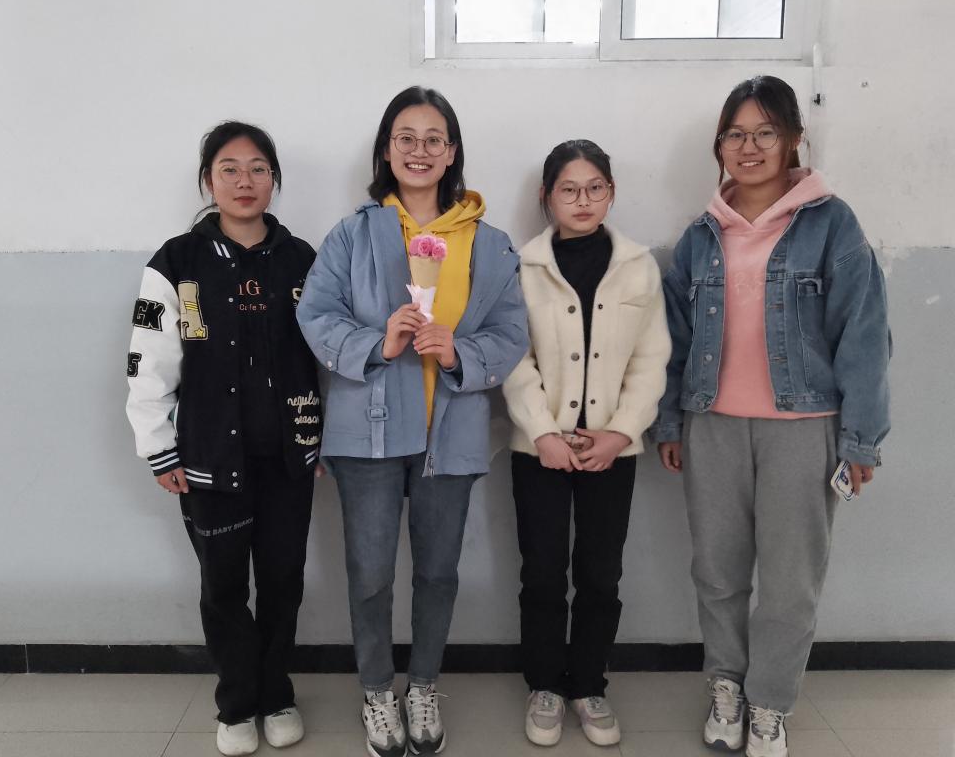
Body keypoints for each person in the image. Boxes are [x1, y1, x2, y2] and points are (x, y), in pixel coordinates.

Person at [653, 76, 891, 757]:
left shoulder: (832, 223)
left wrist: (861, 440)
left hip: (804, 430)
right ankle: (726, 688)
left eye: (765, 132)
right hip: (713, 427)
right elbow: (674, 341)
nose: (749, 146)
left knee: (790, 584)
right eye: (735, 134)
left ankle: (769, 705)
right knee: (718, 574)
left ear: (793, 139)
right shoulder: (700, 236)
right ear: (719, 145)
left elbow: (864, 335)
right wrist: (670, 423)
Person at [296, 86, 528, 757]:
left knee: (438, 572)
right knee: (369, 574)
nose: (419, 150)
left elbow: (511, 331)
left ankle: (423, 684)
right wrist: (379, 342)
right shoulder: (352, 234)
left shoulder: (489, 244)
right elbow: (316, 315)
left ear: (452, 152)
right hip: (365, 433)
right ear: (386, 150)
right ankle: (377, 689)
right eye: (406, 138)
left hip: (449, 434)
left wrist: (459, 353)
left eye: (433, 139)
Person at [125, 122, 322, 756]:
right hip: (208, 459)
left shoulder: (302, 260)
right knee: (224, 587)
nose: (244, 181)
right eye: (229, 169)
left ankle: (277, 694)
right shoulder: (175, 263)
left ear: (274, 180)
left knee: (284, 581)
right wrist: (159, 447)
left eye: (258, 168)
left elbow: (326, 357)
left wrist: (320, 441)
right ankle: (237, 703)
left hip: (289, 460)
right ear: (208, 180)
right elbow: (148, 361)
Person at [502, 139, 670, 747]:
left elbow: (651, 359)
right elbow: (511, 356)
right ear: (547, 197)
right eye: (568, 189)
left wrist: (621, 431)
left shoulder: (638, 266)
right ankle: (546, 685)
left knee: (601, 573)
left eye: (595, 188)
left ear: (611, 193)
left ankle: (589, 685)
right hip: (539, 452)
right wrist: (542, 432)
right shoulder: (521, 266)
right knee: (543, 573)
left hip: (611, 451)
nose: (583, 200)